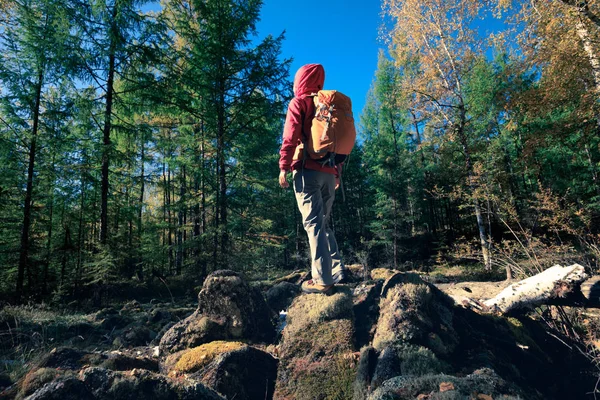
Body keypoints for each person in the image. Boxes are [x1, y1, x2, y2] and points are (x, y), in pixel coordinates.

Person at [278, 63, 346, 294]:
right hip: (329, 173)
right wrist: (336, 173)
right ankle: (336, 269)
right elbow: (337, 142)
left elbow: (290, 136)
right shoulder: (328, 105)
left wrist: (283, 167)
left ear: (300, 80)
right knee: (322, 223)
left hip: (307, 172)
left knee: (313, 225)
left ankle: (323, 280)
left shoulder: (300, 103)